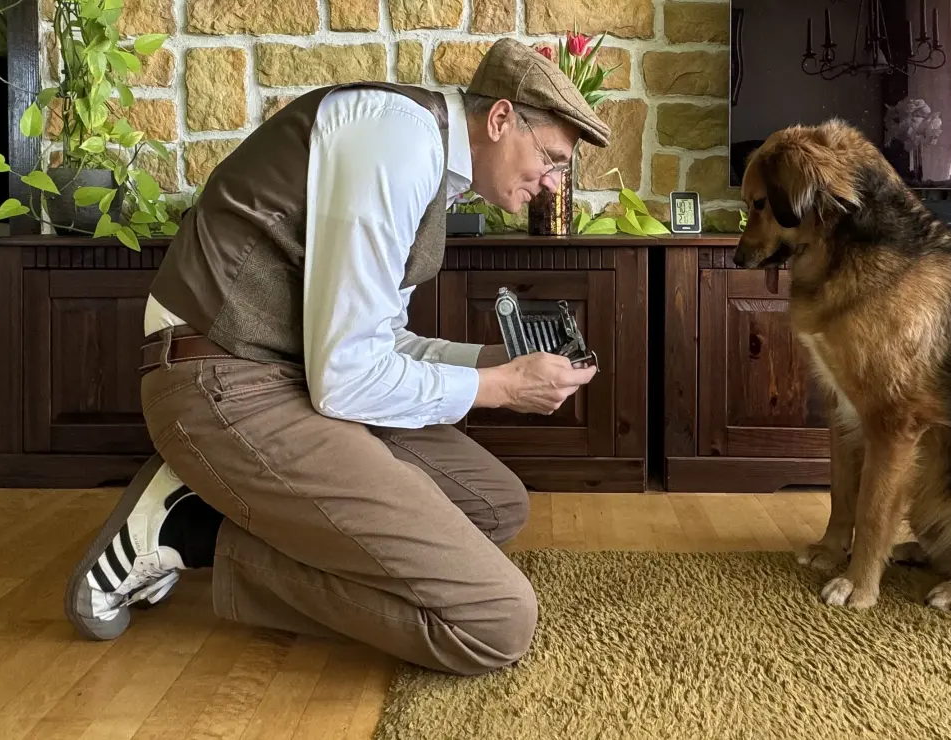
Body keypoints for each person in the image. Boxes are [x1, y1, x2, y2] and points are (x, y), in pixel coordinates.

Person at [63, 38, 607, 676]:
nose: (552, 183)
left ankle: (216, 493)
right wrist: (499, 389)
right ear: (499, 119)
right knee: (496, 622)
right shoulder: (399, 144)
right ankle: (190, 531)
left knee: (494, 505)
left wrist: (492, 361)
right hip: (215, 376)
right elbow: (347, 378)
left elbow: (376, 343)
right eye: (552, 158)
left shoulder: (434, 166)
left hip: (291, 375)